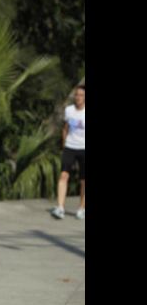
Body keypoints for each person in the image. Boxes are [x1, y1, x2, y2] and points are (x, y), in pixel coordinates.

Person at [51, 84, 85, 220]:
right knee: (63, 176)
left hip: (84, 148)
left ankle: (81, 209)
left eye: (81, 95)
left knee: (84, 181)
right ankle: (60, 208)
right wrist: (64, 144)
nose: (78, 97)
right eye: (76, 95)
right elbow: (65, 128)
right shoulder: (69, 110)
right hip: (70, 147)